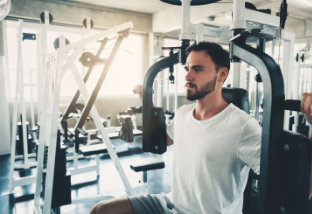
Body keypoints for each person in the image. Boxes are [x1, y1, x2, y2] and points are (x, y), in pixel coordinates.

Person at [90, 42, 312, 214]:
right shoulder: (183, 114)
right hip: (170, 203)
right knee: (102, 210)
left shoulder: (242, 126)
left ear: (222, 74)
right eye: (187, 69)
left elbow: (298, 186)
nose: (187, 76)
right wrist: (146, 98)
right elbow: (162, 139)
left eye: (197, 69)